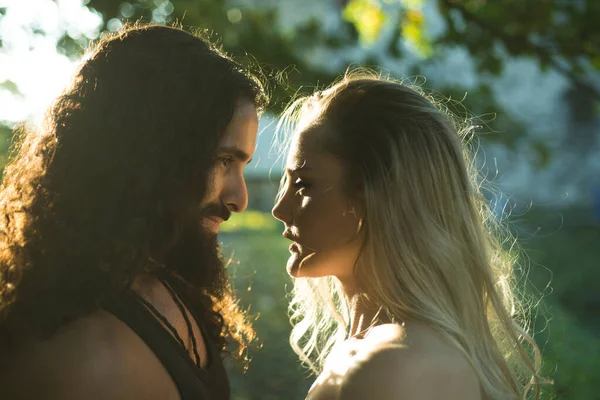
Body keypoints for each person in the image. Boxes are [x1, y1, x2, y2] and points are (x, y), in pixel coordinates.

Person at [0, 24, 267, 400]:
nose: (239, 199)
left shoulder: (160, 277)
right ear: (149, 154)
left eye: (242, 165)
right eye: (223, 160)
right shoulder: (89, 358)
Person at [272, 73, 549, 399]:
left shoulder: (397, 366)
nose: (280, 208)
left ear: (375, 195)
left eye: (303, 184)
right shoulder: (385, 352)